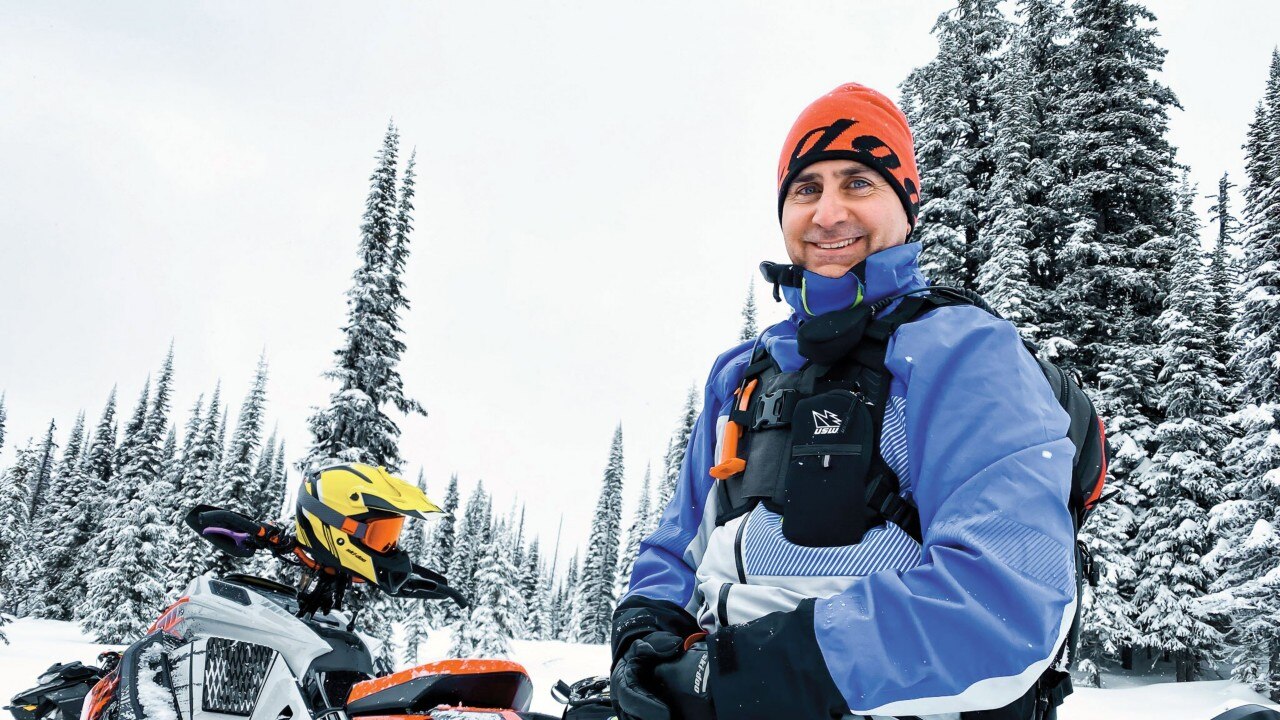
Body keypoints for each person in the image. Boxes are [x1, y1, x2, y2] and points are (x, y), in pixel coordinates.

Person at [610, 83, 1077, 720]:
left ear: (905, 208)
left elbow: (1005, 606)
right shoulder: (745, 374)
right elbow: (676, 547)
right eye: (806, 189)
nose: (828, 213)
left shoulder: (966, 354)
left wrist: (747, 678)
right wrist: (646, 629)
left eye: (858, 182)